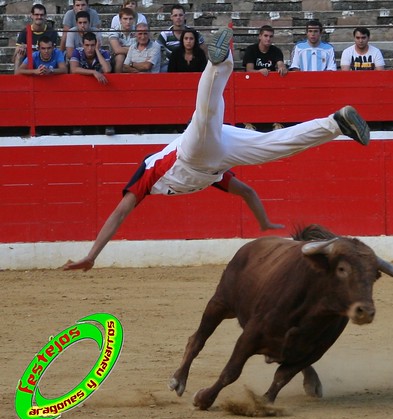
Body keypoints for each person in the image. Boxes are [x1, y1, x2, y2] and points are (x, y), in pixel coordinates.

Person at [63, 27, 369, 272]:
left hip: (191, 152)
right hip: (215, 160)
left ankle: (218, 61)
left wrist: (92, 255)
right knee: (273, 147)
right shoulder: (208, 179)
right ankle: (337, 123)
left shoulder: (151, 172)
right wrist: (263, 222)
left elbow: (119, 214)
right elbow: (247, 192)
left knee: (206, 113)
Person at [242, 25, 288, 131]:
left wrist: (282, 67)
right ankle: (248, 121)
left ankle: (277, 121)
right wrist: (259, 72)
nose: (268, 39)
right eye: (265, 36)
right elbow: (249, 70)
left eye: (270, 36)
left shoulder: (275, 50)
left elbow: (281, 64)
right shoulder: (251, 50)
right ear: (260, 37)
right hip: (252, 85)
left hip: (270, 85)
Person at [157, 4, 207, 72]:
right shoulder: (164, 35)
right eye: (175, 15)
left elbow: (204, 50)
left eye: (180, 15)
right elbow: (156, 50)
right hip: (170, 64)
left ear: (184, 16)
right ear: (171, 17)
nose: (178, 18)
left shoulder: (194, 33)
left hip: (192, 63)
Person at [13, 4, 59, 71]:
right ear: (31, 15)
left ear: (45, 16)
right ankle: (16, 79)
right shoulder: (24, 32)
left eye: (41, 15)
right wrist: (21, 48)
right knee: (18, 54)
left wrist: (29, 48)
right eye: (36, 14)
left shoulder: (52, 32)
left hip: (46, 61)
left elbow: (51, 51)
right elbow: (14, 55)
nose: (39, 17)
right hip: (29, 61)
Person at [109, 7, 136, 73]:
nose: (128, 22)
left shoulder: (138, 30)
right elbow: (117, 50)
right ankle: (119, 80)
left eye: (130, 19)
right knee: (120, 56)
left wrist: (123, 48)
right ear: (120, 20)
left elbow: (142, 49)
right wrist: (134, 50)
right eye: (125, 19)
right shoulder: (114, 31)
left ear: (134, 20)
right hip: (115, 59)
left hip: (134, 57)